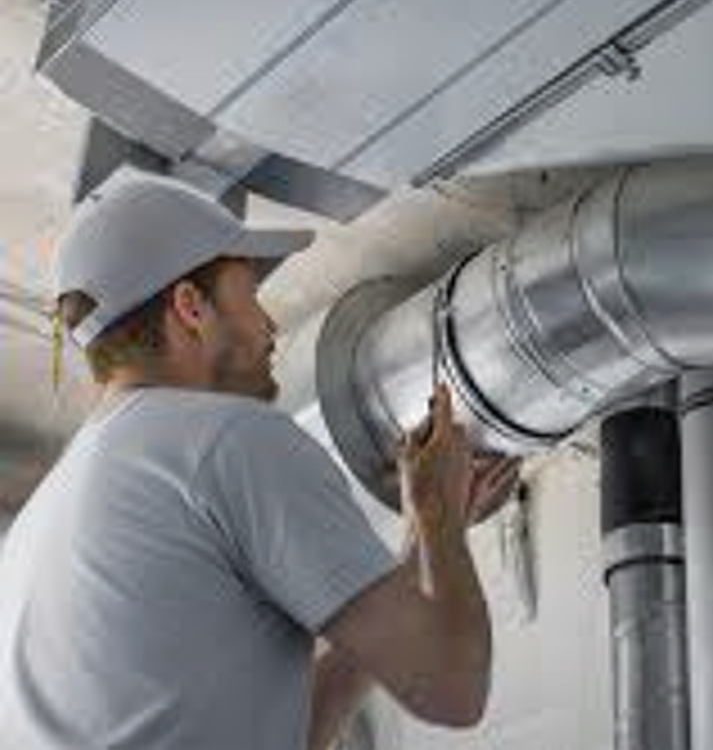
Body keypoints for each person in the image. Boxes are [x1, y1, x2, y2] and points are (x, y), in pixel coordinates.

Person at [0, 170, 515, 750]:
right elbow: (453, 687)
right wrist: (444, 525)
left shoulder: (34, 528)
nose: (270, 327)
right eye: (248, 297)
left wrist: (423, 534)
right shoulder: (226, 442)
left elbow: (298, 734)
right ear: (191, 307)